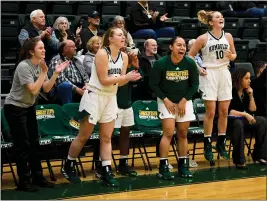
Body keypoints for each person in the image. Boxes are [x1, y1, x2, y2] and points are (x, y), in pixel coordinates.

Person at [61, 27, 142, 187]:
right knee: (84, 136)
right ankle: (68, 165)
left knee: (106, 137)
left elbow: (120, 82)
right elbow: (104, 79)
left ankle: (106, 169)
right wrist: (125, 76)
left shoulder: (124, 57)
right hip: (95, 96)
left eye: (124, 35)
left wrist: (130, 78)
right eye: (119, 35)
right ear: (110, 38)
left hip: (110, 97)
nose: (123, 37)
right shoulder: (102, 54)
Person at [3, 37, 69, 192]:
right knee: (22, 145)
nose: (44, 50)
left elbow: (46, 89)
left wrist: (55, 74)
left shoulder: (41, 65)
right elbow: (33, 89)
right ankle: (24, 182)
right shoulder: (23, 66)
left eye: (44, 48)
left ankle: (38, 177)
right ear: (31, 51)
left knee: (34, 143)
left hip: (29, 106)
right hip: (15, 108)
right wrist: (44, 72)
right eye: (40, 48)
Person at [188, 10, 237, 165]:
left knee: (223, 111)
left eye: (221, 16)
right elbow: (190, 56)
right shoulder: (203, 38)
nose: (221, 18)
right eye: (217, 17)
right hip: (209, 74)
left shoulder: (228, 36)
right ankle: (207, 143)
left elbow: (234, 55)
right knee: (211, 112)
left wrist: (231, 57)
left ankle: (221, 142)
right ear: (210, 22)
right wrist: (198, 68)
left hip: (224, 72)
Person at [149, 36, 199, 179]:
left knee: (183, 133)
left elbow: (195, 84)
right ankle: (163, 167)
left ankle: (183, 165)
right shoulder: (161, 63)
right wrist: (166, 100)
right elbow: (153, 84)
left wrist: (184, 100)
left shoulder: (190, 63)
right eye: (179, 45)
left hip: (184, 101)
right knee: (169, 133)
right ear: (171, 47)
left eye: (184, 45)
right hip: (166, 101)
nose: (182, 48)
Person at [228, 67, 267, 168]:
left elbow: (253, 110)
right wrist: (245, 114)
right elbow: (229, 111)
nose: (249, 80)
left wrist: (251, 96)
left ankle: (260, 155)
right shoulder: (230, 91)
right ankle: (239, 160)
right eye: (246, 78)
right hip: (230, 123)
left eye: (250, 78)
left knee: (262, 121)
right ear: (239, 79)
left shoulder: (246, 92)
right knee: (238, 123)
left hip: (243, 121)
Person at [48, 40, 90, 105]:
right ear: (65, 49)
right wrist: (77, 89)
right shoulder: (57, 59)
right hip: (64, 90)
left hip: (80, 87)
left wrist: (86, 85)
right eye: (73, 46)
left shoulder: (77, 60)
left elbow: (85, 76)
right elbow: (60, 80)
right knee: (65, 85)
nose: (76, 48)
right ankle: (68, 112)